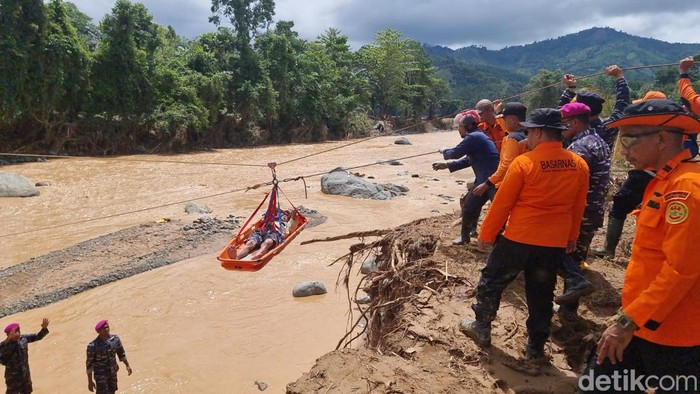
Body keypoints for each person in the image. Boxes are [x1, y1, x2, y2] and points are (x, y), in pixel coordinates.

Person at [584, 99, 700, 392]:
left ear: (662, 139)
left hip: (673, 334)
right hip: (643, 321)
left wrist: (627, 322)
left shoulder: (685, 188)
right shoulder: (663, 181)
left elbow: (680, 269)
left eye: (629, 140)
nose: (623, 151)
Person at [460, 108, 589, 360]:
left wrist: (486, 236)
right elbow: (578, 206)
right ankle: (535, 348)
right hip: (553, 243)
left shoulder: (524, 163)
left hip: (519, 238)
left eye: (529, 132)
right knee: (541, 294)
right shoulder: (578, 164)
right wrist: (571, 237)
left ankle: (482, 328)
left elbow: (502, 204)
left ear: (539, 132)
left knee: (492, 282)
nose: (527, 137)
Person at [593, 91, 667, 258]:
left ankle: (609, 249)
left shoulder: (650, 128)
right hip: (659, 173)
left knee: (620, 204)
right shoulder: (672, 127)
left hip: (645, 173)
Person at [556, 102, 611, 320]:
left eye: (564, 124)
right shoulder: (598, 140)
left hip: (580, 212)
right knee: (576, 257)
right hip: (594, 211)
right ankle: (568, 311)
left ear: (575, 122)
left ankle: (569, 309)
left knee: (562, 255)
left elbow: (568, 184)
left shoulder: (579, 147)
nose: (562, 129)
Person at [433, 110, 500, 245]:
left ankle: (498, 241)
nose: (459, 130)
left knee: (498, 212)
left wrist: (444, 151)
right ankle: (467, 235)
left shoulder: (473, 137)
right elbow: (468, 160)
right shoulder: (477, 137)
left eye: (460, 127)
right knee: (470, 205)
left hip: (492, 181)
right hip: (486, 180)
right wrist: (447, 165)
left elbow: (455, 153)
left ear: (468, 126)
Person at [559, 65, 631, 153]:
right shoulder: (608, 127)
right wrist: (619, 77)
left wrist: (570, 88)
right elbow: (623, 103)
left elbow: (560, 115)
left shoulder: (571, 129)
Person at [472, 102, 529, 197]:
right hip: (525, 180)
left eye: (504, 119)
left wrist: (488, 183)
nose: (503, 122)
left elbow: (506, 166)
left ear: (513, 119)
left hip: (510, 181)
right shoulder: (530, 134)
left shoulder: (512, 138)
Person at [0, 319, 50, 394]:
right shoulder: (5, 345)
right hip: (13, 378)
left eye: (18, 331)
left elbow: (38, 336)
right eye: (14, 332)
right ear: (8, 335)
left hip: (25, 374)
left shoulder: (23, 339)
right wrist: (8, 339)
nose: (17, 334)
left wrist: (44, 328)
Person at [87, 320, 132, 394]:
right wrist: (90, 381)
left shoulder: (115, 339)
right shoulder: (93, 346)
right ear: (99, 331)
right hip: (101, 376)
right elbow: (89, 364)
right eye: (104, 328)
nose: (107, 329)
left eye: (108, 327)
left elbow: (121, 353)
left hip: (113, 372)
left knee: (112, 391)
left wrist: (127, 365)